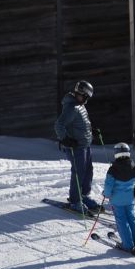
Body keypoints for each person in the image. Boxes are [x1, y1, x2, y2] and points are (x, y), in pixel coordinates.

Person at [54, 80, 101, 214]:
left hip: (85, 144)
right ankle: (75, 201)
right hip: (76, 147)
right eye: (84, 96)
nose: (85, 100)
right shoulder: (71, 107)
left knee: (88, 170)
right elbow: (59, 125)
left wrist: (91, 130)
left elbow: (80, 123)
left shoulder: (79, 105)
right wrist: (65, 140)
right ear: (79, 94)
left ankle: (84, 196)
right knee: (78, 172)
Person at [103, 142, 135, 256]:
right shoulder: (133, 165)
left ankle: (128, 245)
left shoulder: (113, 169)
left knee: (122, 221)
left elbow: (108, 186)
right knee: (133, 219)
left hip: (117, 200)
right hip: (129, 199)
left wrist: (106, 194)